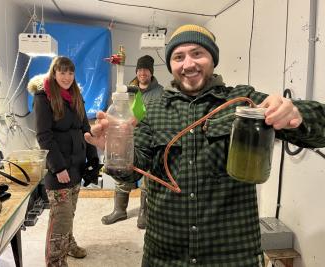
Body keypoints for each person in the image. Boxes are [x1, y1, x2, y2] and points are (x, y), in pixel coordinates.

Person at [85, 24, 325, 266]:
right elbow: (134, 171)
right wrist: (116, 149)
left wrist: (296, 113)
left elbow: (320, 131)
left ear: (213, 59)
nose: (188, 64)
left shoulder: (244, 102)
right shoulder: (152, 110)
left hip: (232, 256)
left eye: (197, 53)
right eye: (179, 57)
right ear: (171, 65)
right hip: (165, 256)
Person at [28, 56, 99, 267]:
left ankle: (67, 244)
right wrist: (58, 167)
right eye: (62, 72)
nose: (67, 77)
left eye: (70, 73)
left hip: (76, 166)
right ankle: (55, 261)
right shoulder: (44, 98)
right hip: (58, 169)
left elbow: (86, 129)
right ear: (54, 73)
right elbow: (44, 136)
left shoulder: (76, 95)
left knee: (69, 214)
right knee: (60, 218)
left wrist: (93, 159)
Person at [101, 55, 163, 229]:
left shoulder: (160, 92)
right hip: (127, 139)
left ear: (151, 72)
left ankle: (144, 213)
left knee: (148, 178)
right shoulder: (127, 91)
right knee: (122, 173)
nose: (143, 73)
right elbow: (118, 112)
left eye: (146, 70)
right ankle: (119, 211)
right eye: (140, 70)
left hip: (150, 140)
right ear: (136, 71)